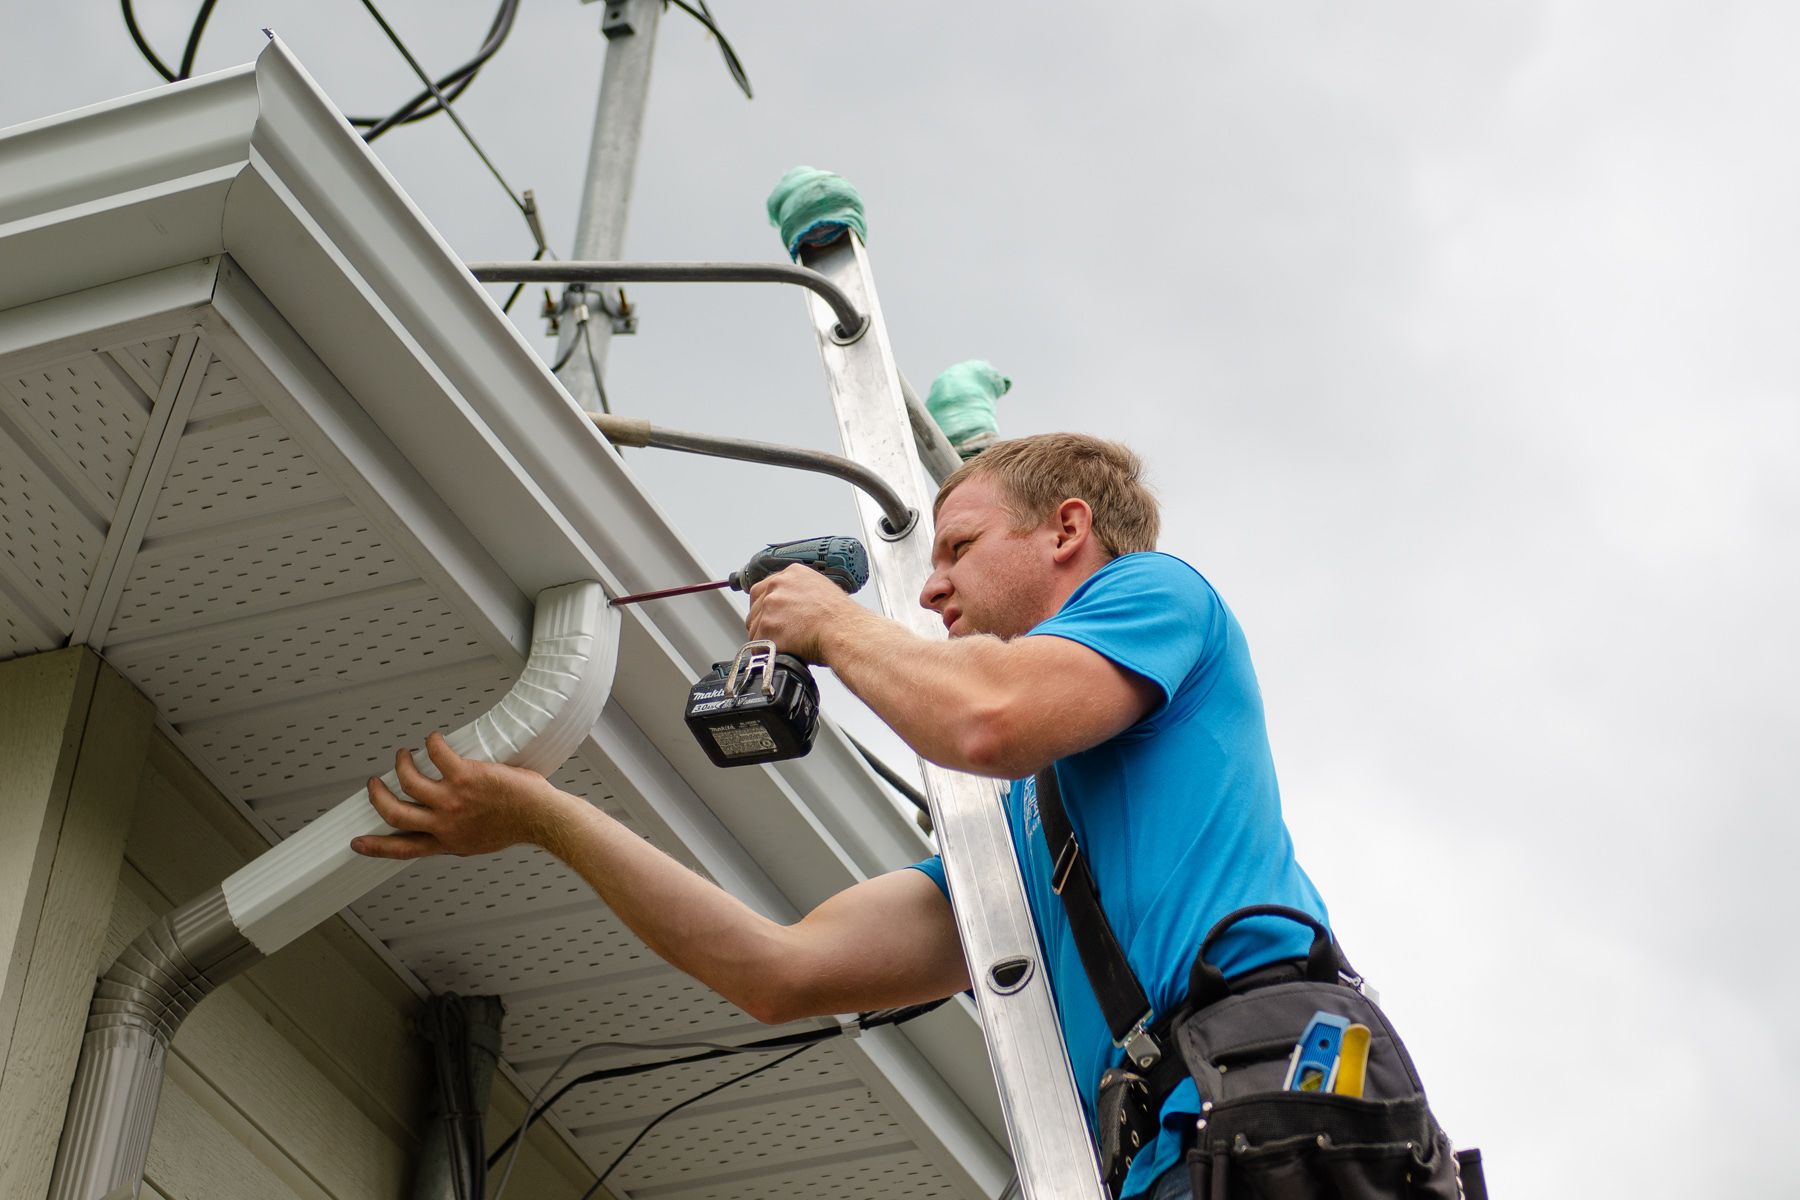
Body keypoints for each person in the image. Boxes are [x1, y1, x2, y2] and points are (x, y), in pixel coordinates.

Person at [352, 433, 1329, 1200]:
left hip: (1278, 1103)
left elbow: (983, 717)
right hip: (1181, 1158)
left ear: (1067, 531)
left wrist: (830, 621)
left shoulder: (1157, 594)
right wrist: (543, 818)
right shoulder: (1024, 845)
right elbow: (778, 973)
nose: (932, 585)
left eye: (960, 548)